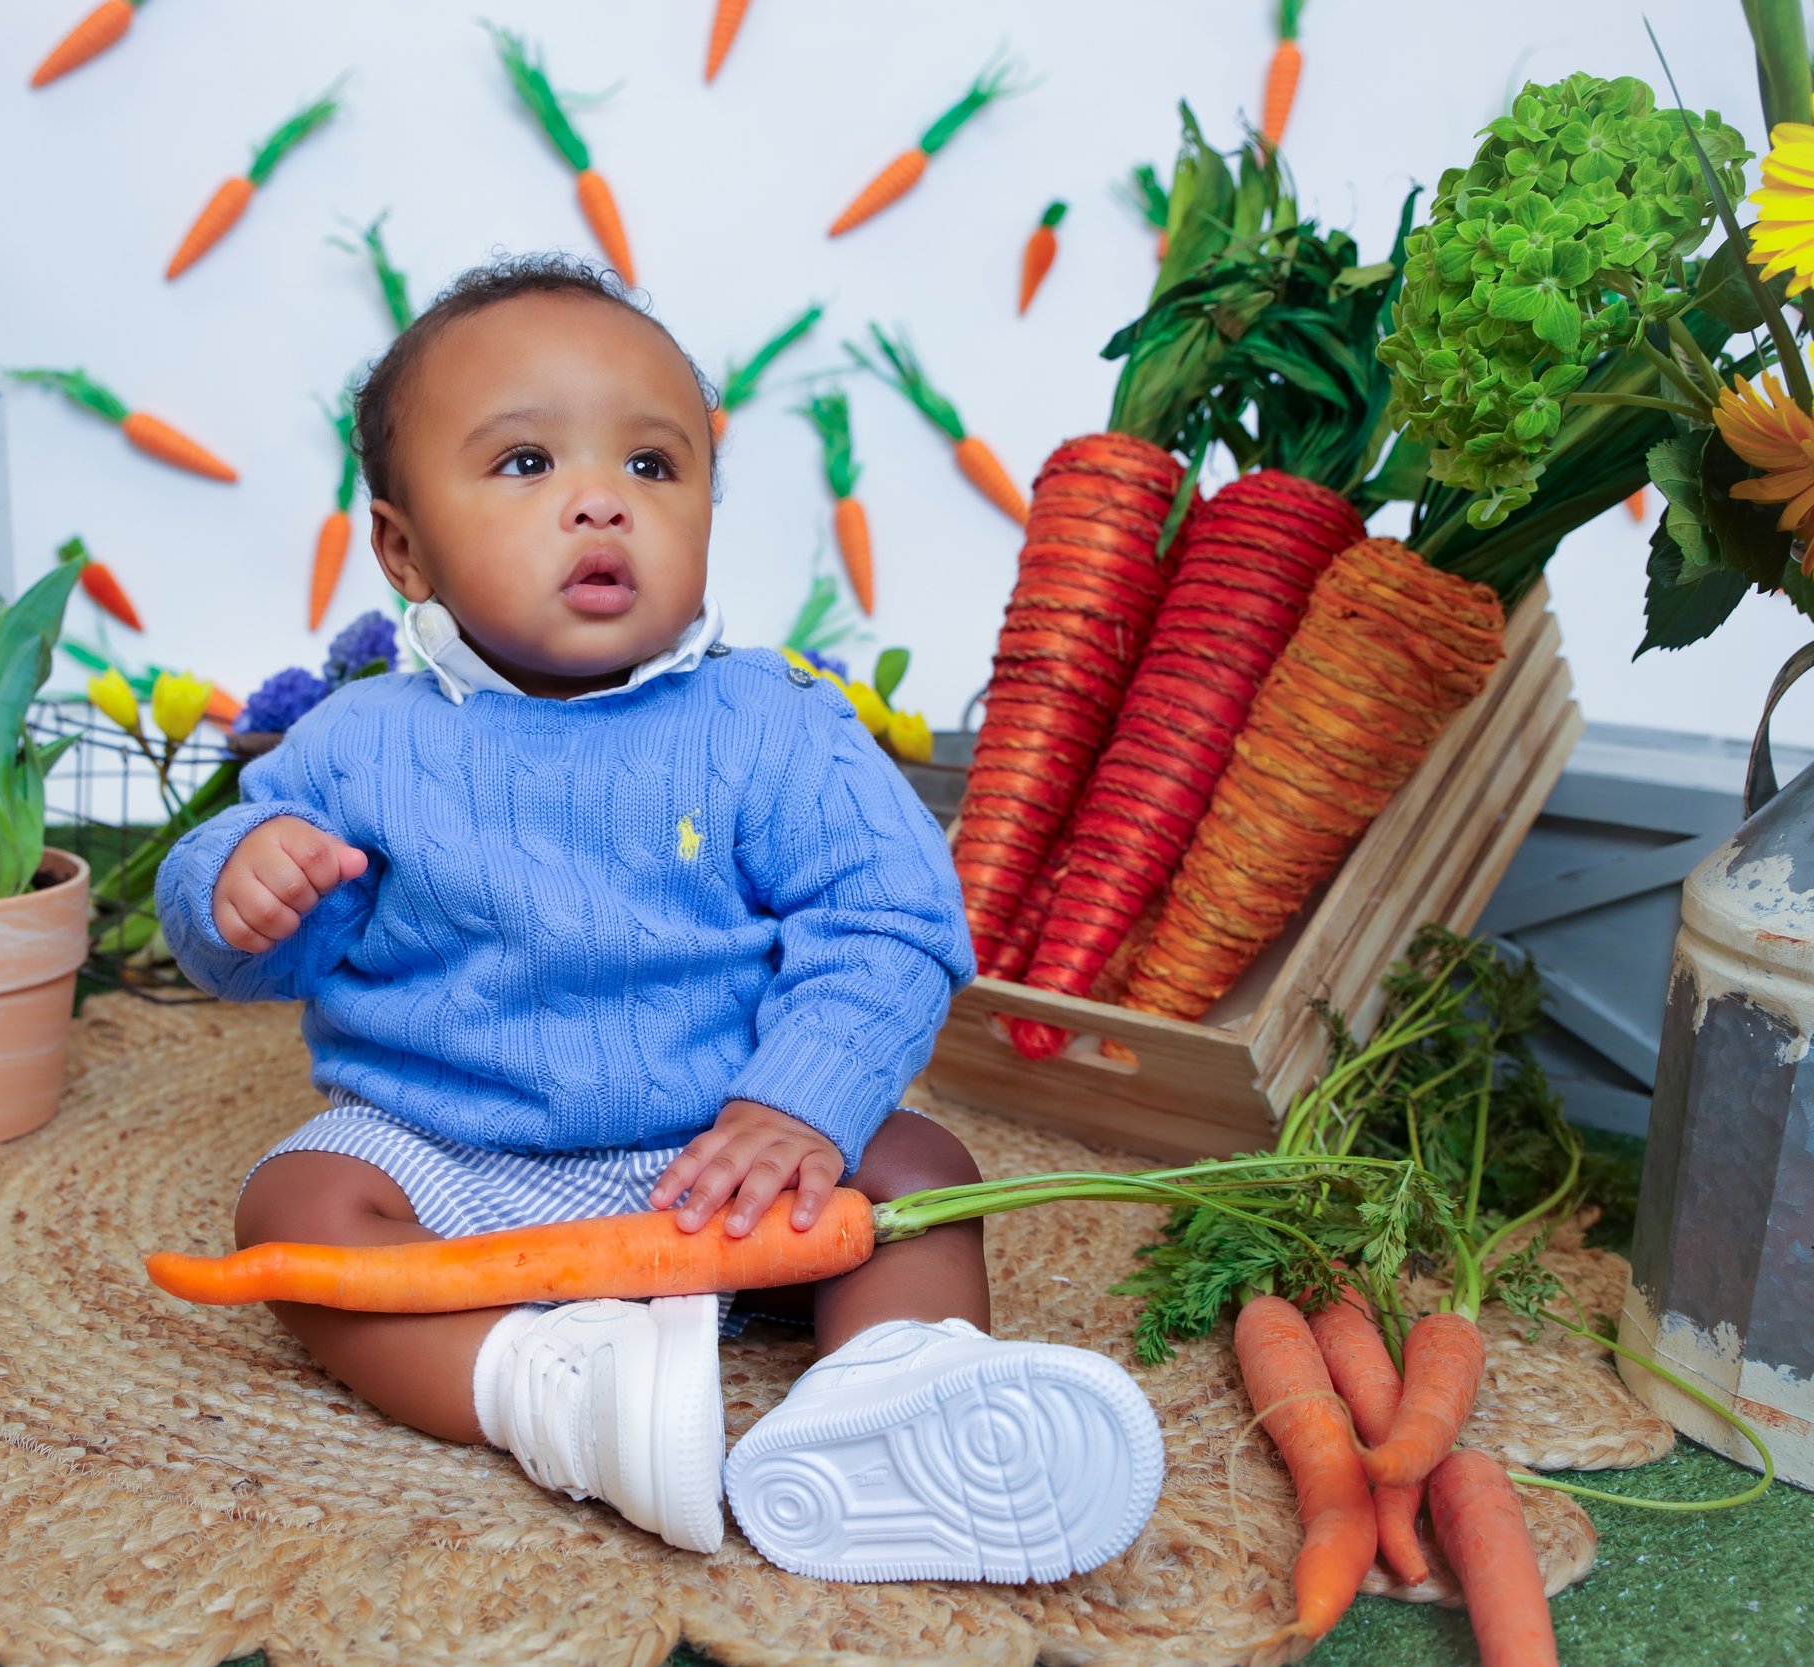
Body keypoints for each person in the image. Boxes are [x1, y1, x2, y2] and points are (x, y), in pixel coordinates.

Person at [154, 254, 1162, 1580]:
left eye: (652, 467)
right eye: (524, 465)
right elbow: (258, 953)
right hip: (451, 1158)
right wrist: (241, 880)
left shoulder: (772, 721)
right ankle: (550, 1393)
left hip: (729, 1165)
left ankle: (893, 1407)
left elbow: (892, 918)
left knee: (917, 1171)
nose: (600, 505)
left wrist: (799, 1102)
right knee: (294, 1215)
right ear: (404, 547)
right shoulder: (353, 745)